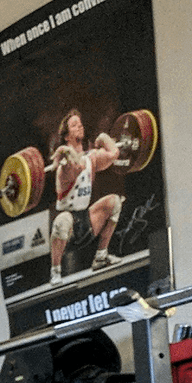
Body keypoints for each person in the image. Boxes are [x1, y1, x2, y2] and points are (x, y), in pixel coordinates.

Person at [47, 108, 125, 283]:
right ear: (67, 136)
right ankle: (56, 270)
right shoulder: (65, 166)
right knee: (61, 221)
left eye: (80, 123)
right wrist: (61, 151)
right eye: (74, 125)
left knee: (114, 202)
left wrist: (104, 137)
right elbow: (77, 165)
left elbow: (114, 154)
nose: (80, 126)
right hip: (68, 230)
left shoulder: (90, 158)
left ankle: (101, 256)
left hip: (87, 221)